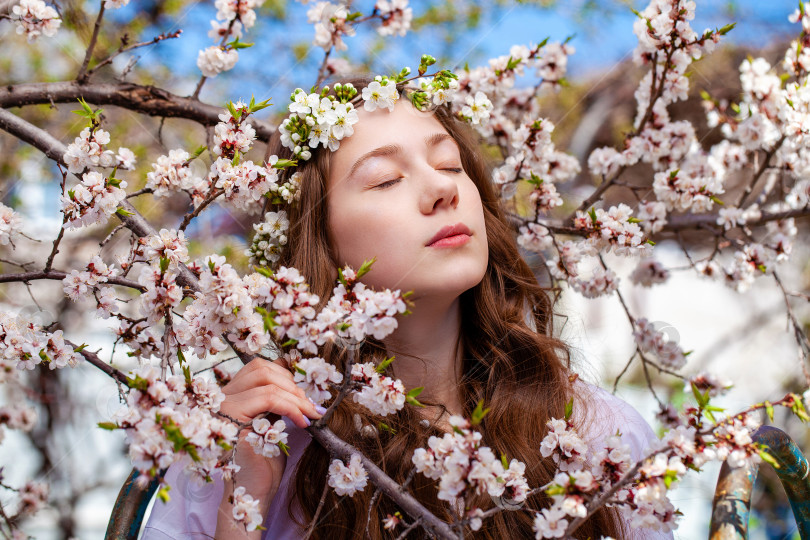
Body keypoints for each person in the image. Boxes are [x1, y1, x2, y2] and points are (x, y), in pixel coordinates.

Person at [142, 79, 673, 539]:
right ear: (319, 240)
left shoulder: (596, 434)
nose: (443, 187)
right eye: (386, 179)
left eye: (449, 164)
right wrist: (244, 510)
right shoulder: (250, 446)